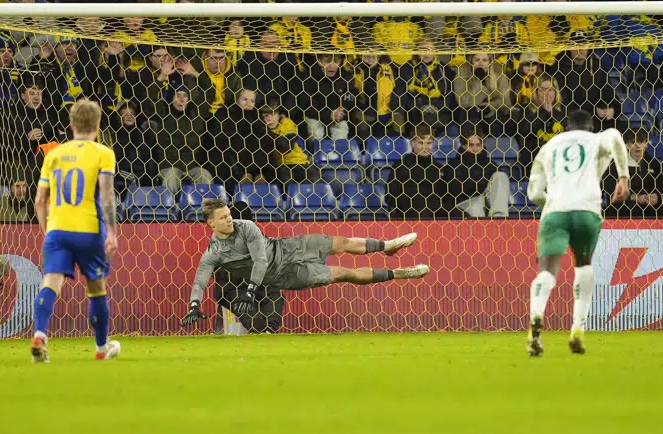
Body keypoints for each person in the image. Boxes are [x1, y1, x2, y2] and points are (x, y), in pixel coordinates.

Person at [182, 200, 428, 327]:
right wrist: (194, 304)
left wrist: (250, 289)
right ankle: (399, 273)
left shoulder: (246, 226)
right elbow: (200, 278)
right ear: (211, 224)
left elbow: (260, 259)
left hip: (289, 247)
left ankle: (388, 246)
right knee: (344, 273)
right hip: (285, 275)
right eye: (223, 218)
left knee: (340, 242)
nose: (230, 219)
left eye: (229, 214)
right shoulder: (213, 252)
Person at [526, 108, 630, 357]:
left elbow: (534, 193)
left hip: (555, 212)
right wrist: (623, 177)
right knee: (583, 265)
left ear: (567, 128)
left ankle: (536, 322)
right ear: (590, 127)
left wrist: (552, 203)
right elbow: (615, 135)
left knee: (547, 271)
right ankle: (577, 330)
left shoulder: (549, 147)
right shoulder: (595, 140)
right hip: (586, 211)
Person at [30, 99, 121, 363]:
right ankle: (102, 348)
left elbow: (38, 200)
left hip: (58, 230)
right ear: (98, 124)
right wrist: (112, 232)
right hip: (90, 230)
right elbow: (106, 196)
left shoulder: (54, 154)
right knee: (96, 288)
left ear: (71, 125)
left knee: (50, 283)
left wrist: (48, 231)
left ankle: (39, 334)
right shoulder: (104, 153)